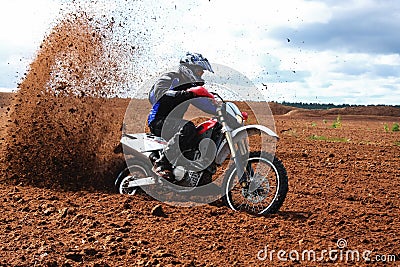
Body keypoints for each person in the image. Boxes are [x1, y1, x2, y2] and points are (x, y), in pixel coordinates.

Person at [147, 52, 217, 181]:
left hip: (174, 123)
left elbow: (204, 105)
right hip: (158, 120)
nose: (200, 74)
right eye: (198, 71)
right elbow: (159, 95)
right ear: (188, 68)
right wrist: (188, 93)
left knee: (203, 132)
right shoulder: (170, 78)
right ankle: (162, 163)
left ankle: (198, 176)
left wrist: (221, 109)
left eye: (201, 72)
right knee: (188, 127)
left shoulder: (190, 87)